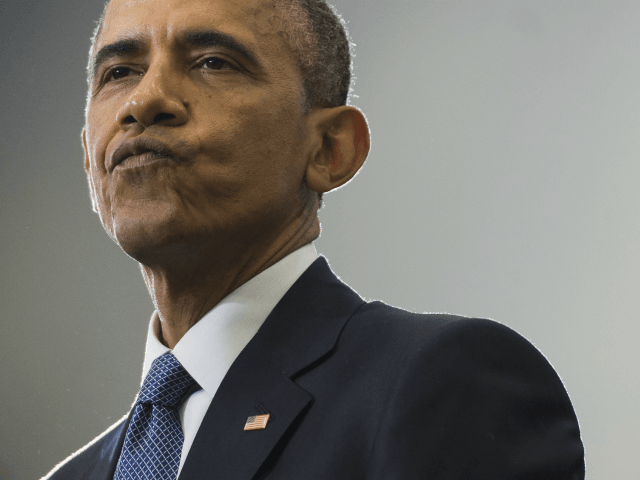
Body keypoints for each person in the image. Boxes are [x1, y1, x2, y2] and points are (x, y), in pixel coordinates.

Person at [43, 0, 585, 478]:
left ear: (330, 149)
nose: (146, 99)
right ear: (88, 155)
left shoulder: (446, 384)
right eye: (119, 71)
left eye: (213, 62)